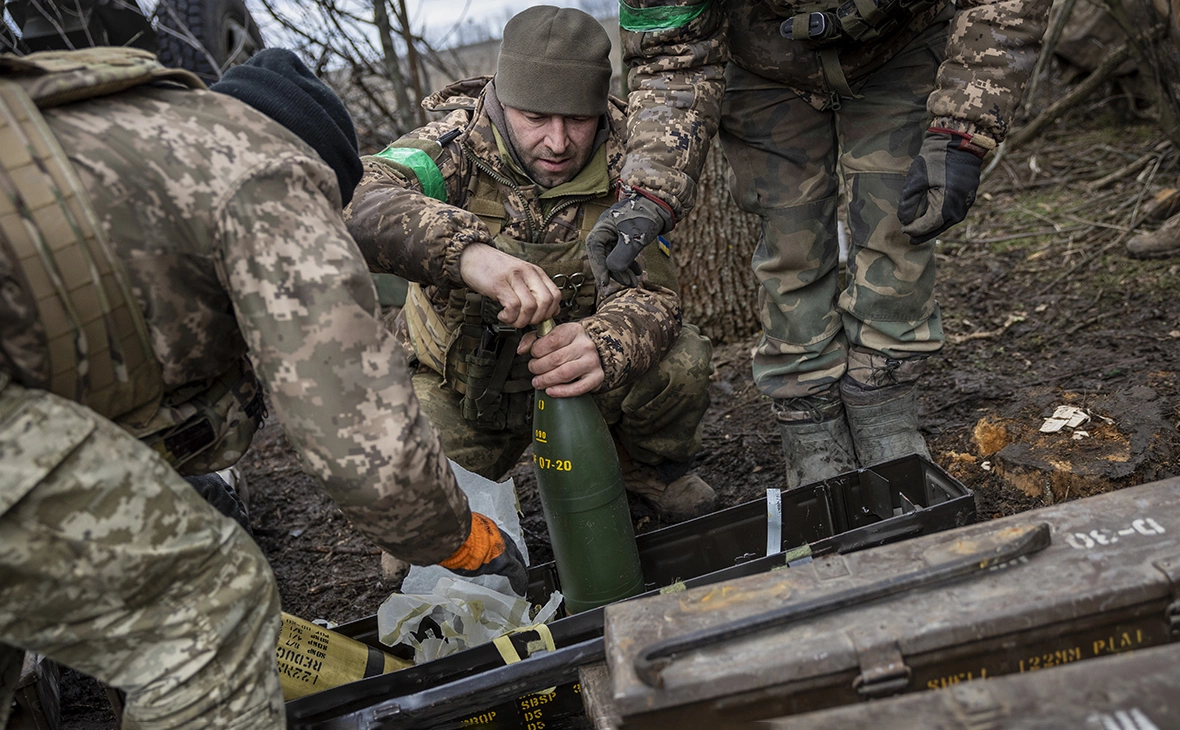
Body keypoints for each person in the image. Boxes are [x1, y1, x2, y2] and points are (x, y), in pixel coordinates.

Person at [0, 47, 524, 729]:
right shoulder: (268, 170)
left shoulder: (143, 139)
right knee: (209, 611)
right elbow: (366, 443)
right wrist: (463, 541)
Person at [593, 0, 1052, 488]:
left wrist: (965, 128)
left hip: (899, 43)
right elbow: (669, 52)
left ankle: (884, 409)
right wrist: (649, 190)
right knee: (790, 251)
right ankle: (809, 425)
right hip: (763, 62)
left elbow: (1003, 7)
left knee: (899, 230)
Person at [345, 6, 717, 521]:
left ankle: (641, 467)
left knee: (683, 364)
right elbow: (354, 197)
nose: (558, 143)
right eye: (536, 118)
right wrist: (470, 254)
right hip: (459, 391)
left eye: (578, 120)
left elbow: (654, 297)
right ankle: (451, 513)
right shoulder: (449, 152)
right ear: (502, 103)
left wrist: (604, 345)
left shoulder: (633, 163)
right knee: (405, 494)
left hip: (585, 388)